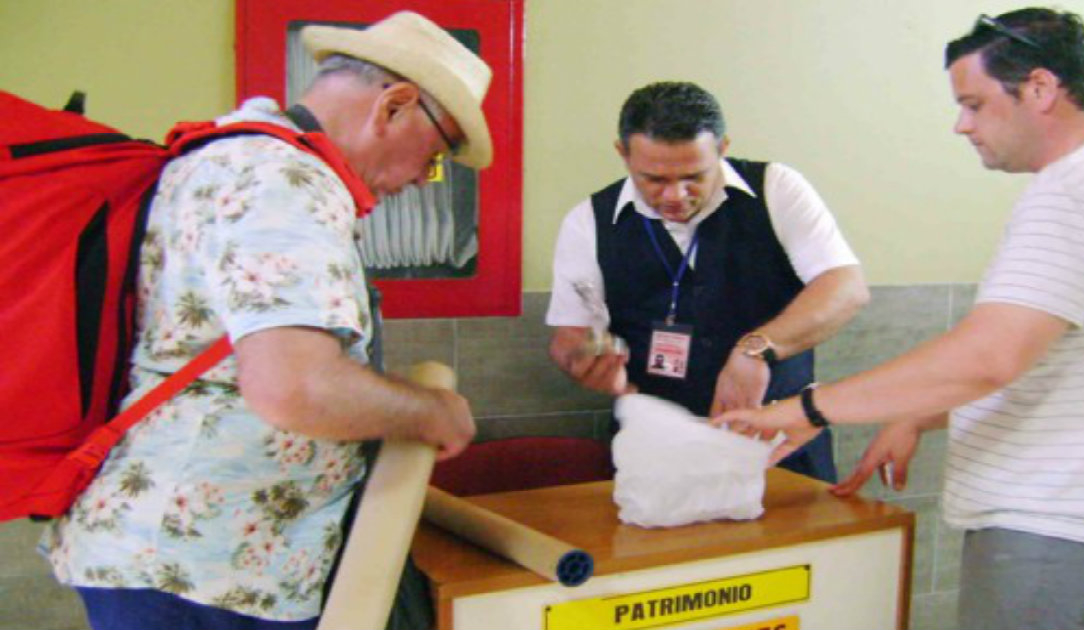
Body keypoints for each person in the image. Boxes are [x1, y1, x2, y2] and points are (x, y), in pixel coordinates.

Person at [713, 8, 1084, 630]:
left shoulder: (1083, 187)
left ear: (1041, 89)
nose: (960, 125)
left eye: (974, 103)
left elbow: (988, 355)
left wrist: (805, 408)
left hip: (1061, 526)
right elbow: (1057, 354)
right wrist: (918, 409)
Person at [39, 11, 490, 630]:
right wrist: (429, 411)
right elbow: (295, 387)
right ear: (395, 106)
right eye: (433, 156)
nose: (420, 179)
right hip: (204, 570)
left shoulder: (235, 156)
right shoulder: (285, 181)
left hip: (189, 556)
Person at [547, 81, 868, 482]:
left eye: (694, 176)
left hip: (780, 446)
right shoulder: (587, 222)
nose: (675, 195)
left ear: (722, 148)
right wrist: (584, 361)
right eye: (654, 179)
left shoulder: (777, 189)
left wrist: (757, 351)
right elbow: (570, 336)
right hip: (657, 450)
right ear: (623, 154)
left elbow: (846, 286)